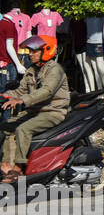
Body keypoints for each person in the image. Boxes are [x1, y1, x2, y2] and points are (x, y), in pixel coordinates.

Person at [1, 36, 70, 182]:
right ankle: (5, 164)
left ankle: (19, 168)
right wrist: (4, 96)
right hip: (35, 112)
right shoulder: (32, 70)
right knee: (6, 126)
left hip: (53, 112)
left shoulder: (55, 70)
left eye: (34, 51)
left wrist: (22, 100)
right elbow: (20, 91)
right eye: (29, 51)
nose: (30, 54)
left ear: (46, 51)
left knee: (23, 129)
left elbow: (47, 91)